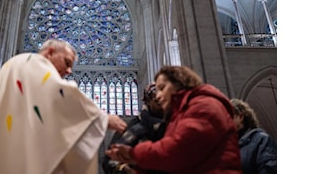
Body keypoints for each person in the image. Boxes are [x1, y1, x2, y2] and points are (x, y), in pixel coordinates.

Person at [0, 39, 127, 174]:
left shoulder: (15, 65)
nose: (69, 71)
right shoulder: (31, 63)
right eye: (67, 62)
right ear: (50, 52)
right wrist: (102, 117)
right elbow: (59, 93)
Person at [106, 65, 242, 173]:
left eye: (162, 88)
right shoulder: (179, 115)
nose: (158, 96)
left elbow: (179, 150)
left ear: (179, 83)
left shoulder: (204, 105)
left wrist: (134, 154)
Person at [102, 83, 167, 174]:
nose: (164, 106)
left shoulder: (175, 125)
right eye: (157, 101)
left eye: (167, 101)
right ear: (148, 101)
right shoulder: (133, 127)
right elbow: (109, 161)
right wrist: (124, 169)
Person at [230, 98, 277, 174]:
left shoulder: (261, 140)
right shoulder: (227, 147)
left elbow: (269, 169)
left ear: (240, 117)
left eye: (228, 116)